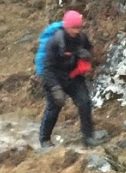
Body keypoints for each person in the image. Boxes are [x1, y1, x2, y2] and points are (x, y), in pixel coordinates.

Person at [39, 10, 98, 148]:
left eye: (79, 27)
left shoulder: (82, 38)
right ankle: (45, 139)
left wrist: (87, 55)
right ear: (66, 26)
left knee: (85, 103)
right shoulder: (55, 41)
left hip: (73, 76)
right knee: (54, 107)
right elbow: (47, 68)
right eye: (74, 28)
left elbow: (91, 52)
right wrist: (55, 88)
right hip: (54, 77)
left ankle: (88, 138)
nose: (77, 31)